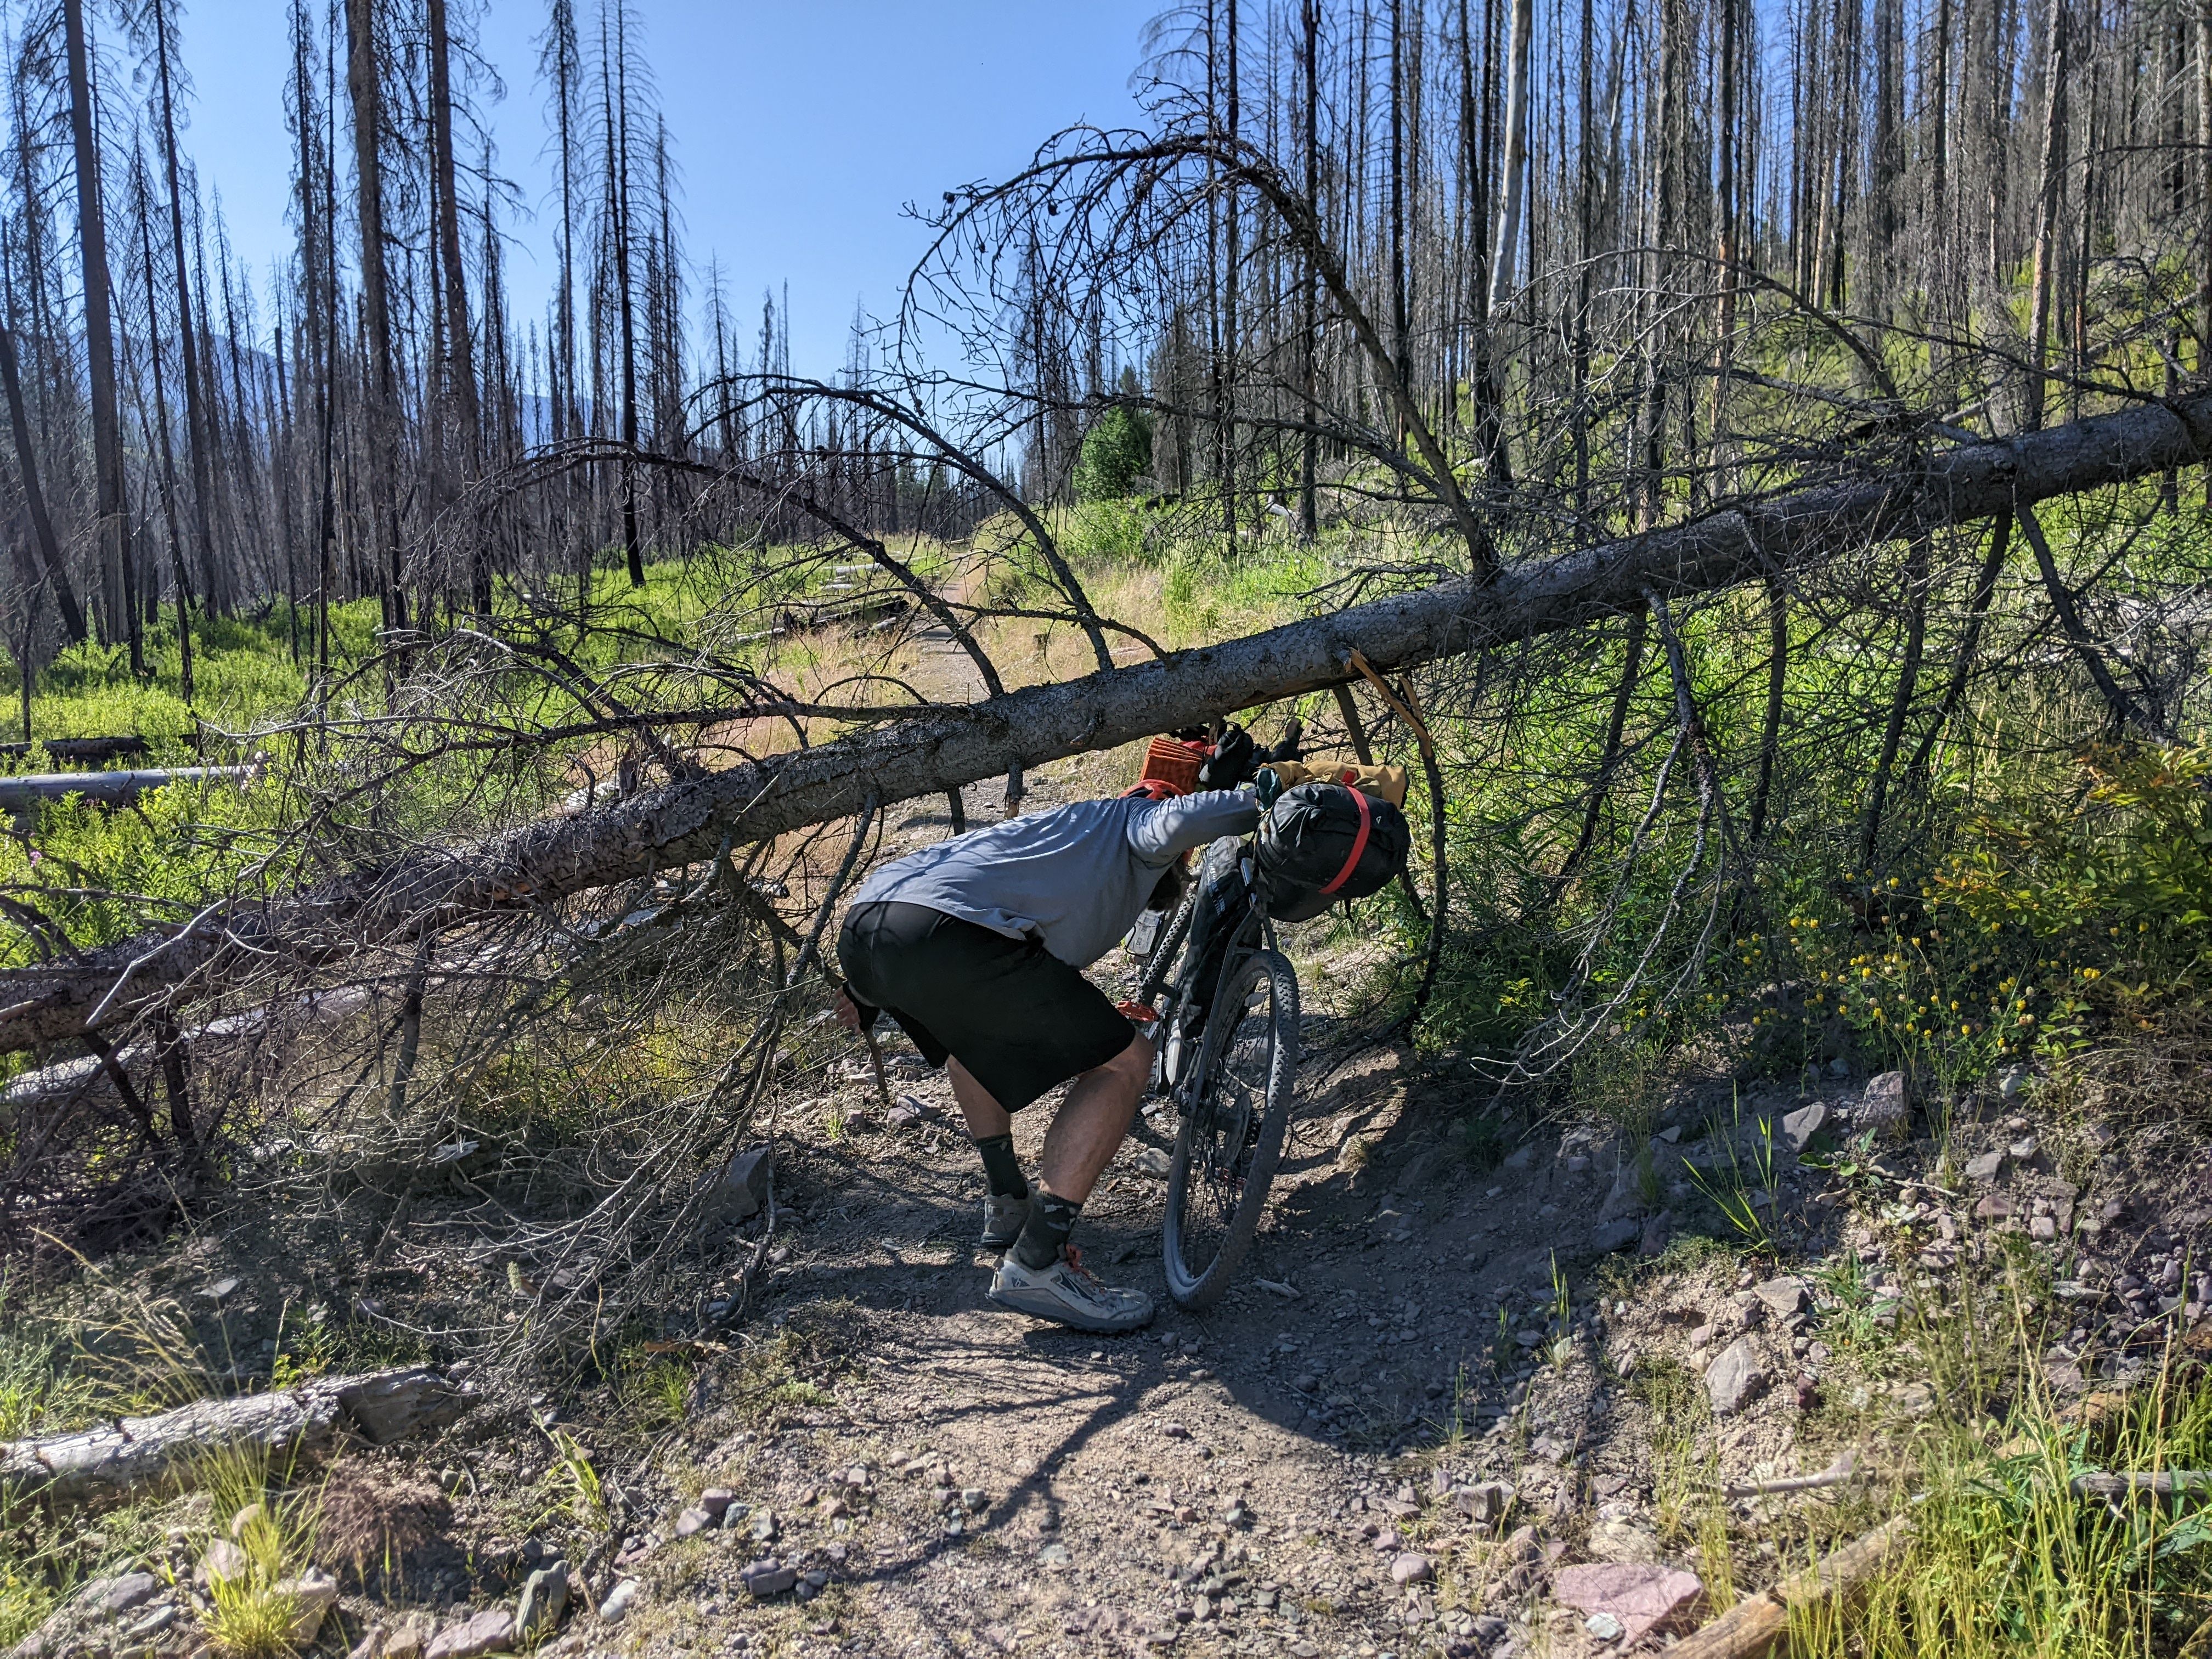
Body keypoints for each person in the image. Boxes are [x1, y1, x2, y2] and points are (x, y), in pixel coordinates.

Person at [833, 728, 1264, 1334]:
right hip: (943, 933)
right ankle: (1037, 1261)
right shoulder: (1134, 827)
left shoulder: (1057, 832)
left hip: (871, 924)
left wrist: (861, 988)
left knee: (973, 1040)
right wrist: (1273, 796)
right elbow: (1177, 821)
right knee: (1124, 1061)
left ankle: (1008, 1202)